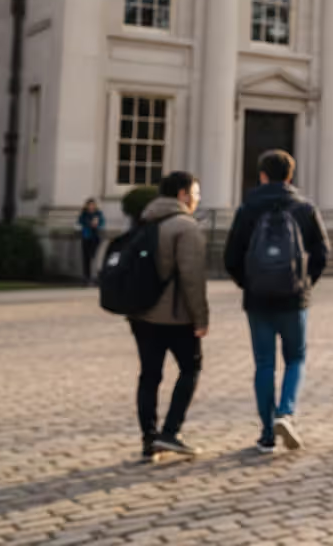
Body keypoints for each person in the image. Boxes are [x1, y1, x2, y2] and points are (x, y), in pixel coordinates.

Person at [225, 149, 330, 454]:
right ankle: (286, 411)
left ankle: (267, 434)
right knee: (295, 358)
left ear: (262, 175)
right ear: (289, 176)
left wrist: (249, 284)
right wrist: (305, 282)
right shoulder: (304, 207)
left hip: (258, 300)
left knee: (264, 364)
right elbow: (323, 252)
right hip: (294, 298)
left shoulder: (247, 209)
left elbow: (230, 257)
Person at [130, 171, 208, 461]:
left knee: (149, 376)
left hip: (140, 314)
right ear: (182, 195)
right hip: (176, 317)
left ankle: (149, 441)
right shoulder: (185, 227)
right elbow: (192, 278)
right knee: (191, 369)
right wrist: (201, 318)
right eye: (196, 194)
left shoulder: (144, 219)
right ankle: (170, 432)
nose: (198, 200)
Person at [76, 198, 105, 285]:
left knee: (94, 257)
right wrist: (89, 224)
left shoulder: (98, 214)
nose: (91, 207)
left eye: (92, 205)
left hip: (95, 238)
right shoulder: (84, 214)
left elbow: (102, 224)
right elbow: (79, 223)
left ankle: (94, 277)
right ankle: (86, 277)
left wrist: (97, 225)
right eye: (89, 205)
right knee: (86, 257)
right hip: (86, 237)